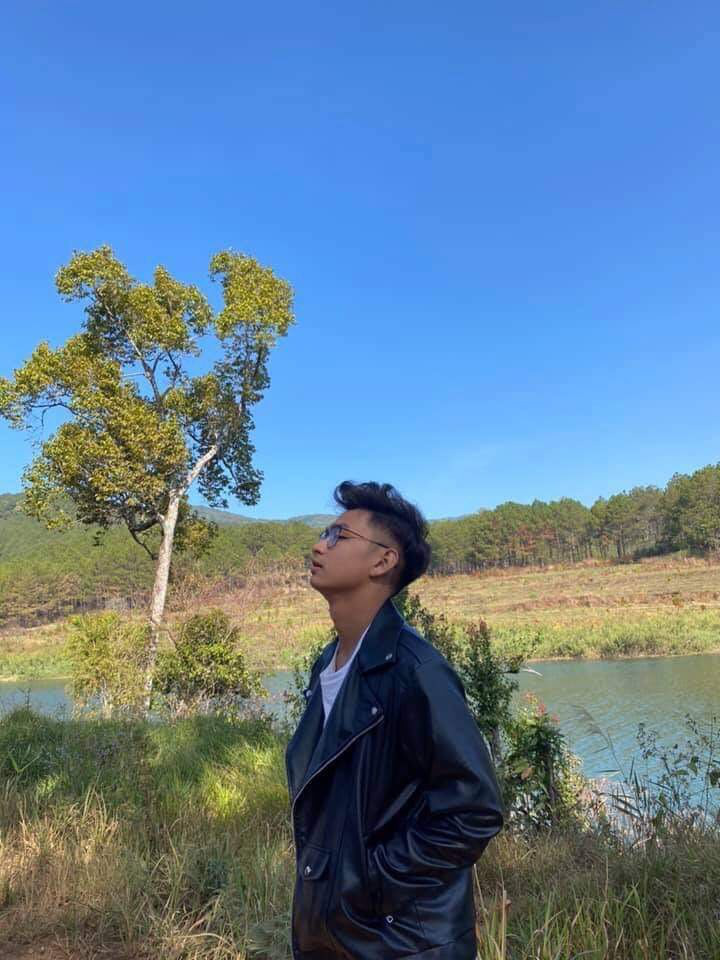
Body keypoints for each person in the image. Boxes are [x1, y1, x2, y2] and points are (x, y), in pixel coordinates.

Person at [285, 481, 504, 960]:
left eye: (339, 536)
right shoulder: (328, 665)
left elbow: (473, 811)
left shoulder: (415, 670)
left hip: (401, 942)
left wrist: (369, 882)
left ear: (383, 561)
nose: (319, 545)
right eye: (324, 533)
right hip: (332, 934)